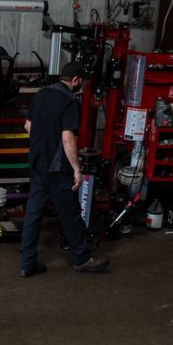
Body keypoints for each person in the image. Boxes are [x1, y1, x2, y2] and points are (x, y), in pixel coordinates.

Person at [20, 61, 109, 278]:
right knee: (70, 213)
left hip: (38, 164)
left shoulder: (41, 94)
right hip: (58, 167)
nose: (84, 86)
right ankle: (81, 258)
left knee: (33, 214)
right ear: (76, 80)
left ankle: (27, 263)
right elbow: (68, 137)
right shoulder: (70, 101)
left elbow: (28, 126)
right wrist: (77, 169)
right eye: (83, 82)